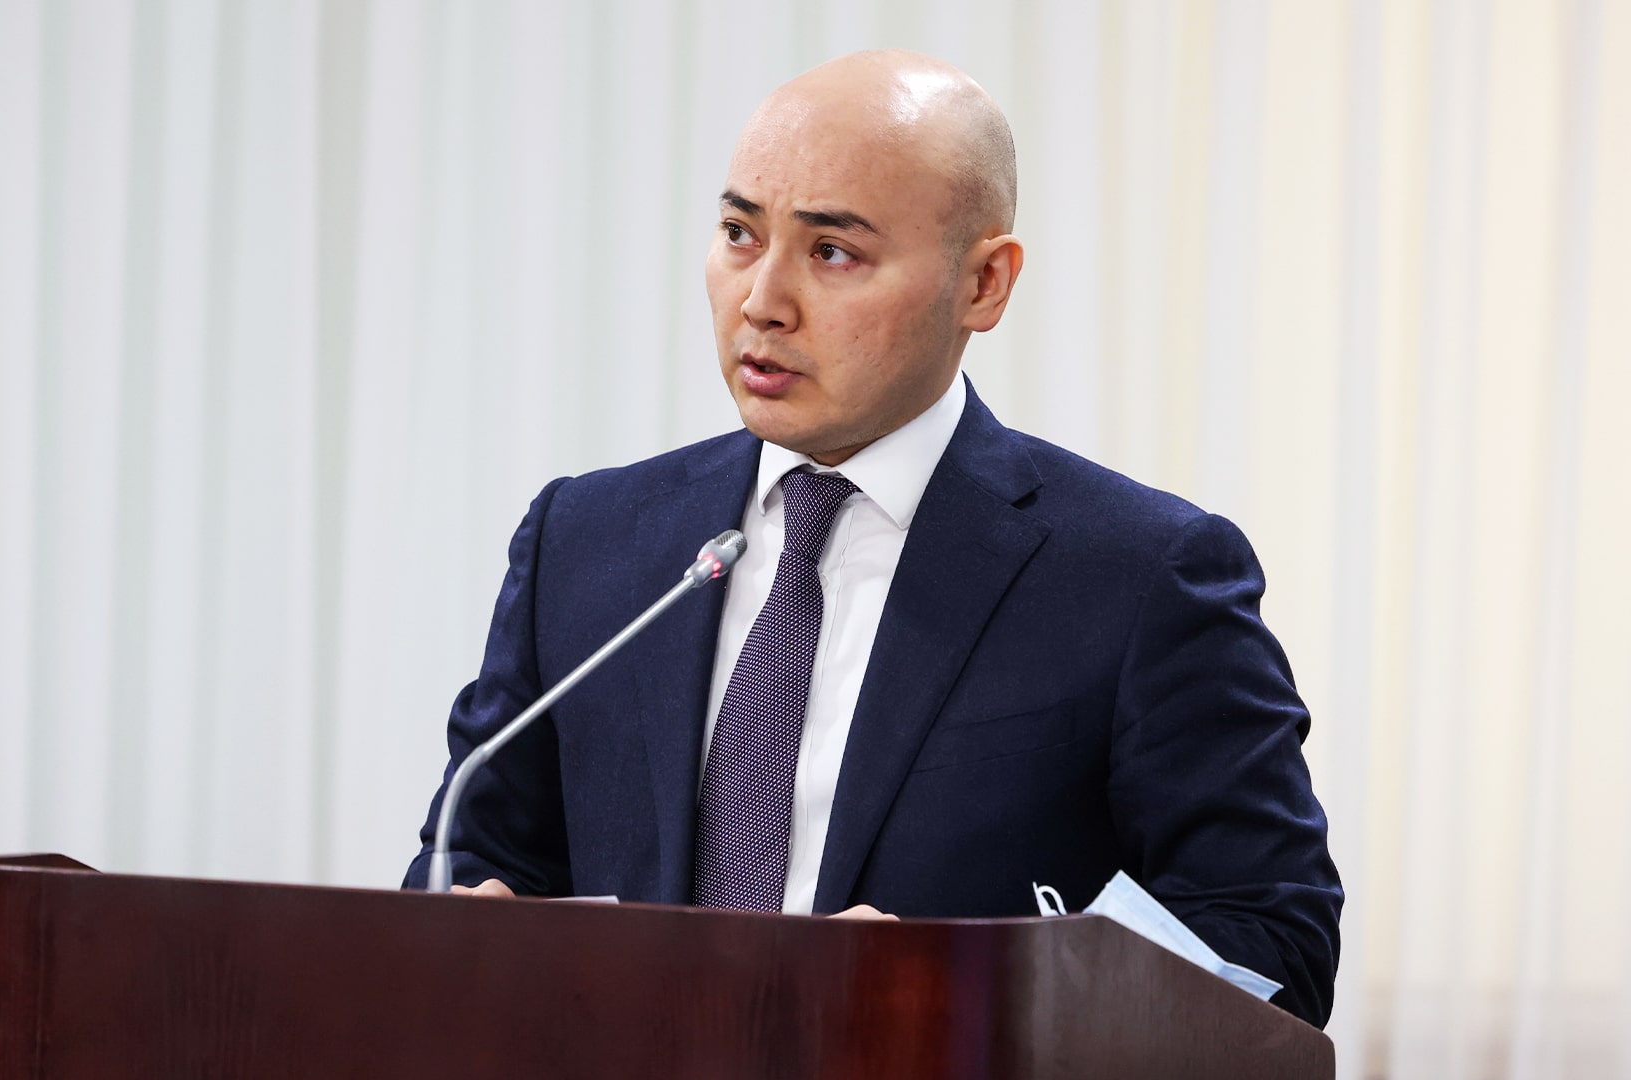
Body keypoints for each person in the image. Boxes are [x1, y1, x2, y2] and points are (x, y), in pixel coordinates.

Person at [403, 49, 1342, 1028]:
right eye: (739, 234)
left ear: (984, 283)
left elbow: (1270, 941)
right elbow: (475, 857)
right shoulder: (588, 540)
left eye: (832, 253)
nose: (761, 301)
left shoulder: (1141, 576)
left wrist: (958, 989)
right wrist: (467, 928)